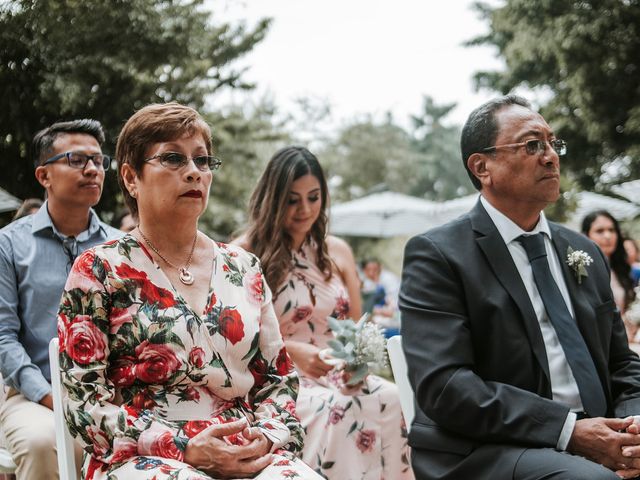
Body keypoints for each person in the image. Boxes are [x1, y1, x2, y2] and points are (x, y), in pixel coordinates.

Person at [56, 103, 321, 480]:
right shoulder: (99, 270)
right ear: (132, 178)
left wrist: (263, 439)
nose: (194, 172)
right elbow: (82, 404)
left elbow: (277, 380)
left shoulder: (243, 268)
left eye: (202, 161)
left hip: (242, 446)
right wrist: (182, 446)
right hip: (142, 455)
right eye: (173, 159)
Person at [399, 94, 640, 480]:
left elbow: (621, 362)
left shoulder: (582, 250)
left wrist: (632, 427)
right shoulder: (438, 255)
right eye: (532, 145)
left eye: (552, 143)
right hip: (492, 448)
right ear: (483, 167)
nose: (550, 156)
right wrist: (568, 432)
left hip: (597, 430)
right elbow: (446, 387)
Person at [235, 146, 414, 480]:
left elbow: (357, 328)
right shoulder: (244, 253)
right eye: (292, 199)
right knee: (341, 410)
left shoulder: (338, 251)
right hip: (280, 381)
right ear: (273, 199)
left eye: (313, 197)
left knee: (393, 396)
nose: (305, 209)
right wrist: (293, 353)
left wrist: (355, 364)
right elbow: (234, 342)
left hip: (338, 374)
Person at [0, 119, 122, 479]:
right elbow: (3, 337)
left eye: (99, 161)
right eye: (76, 160)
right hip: (33, 396)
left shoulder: (119, 246)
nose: (92, 169)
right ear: (44, 176)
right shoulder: (9, 244)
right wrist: (49, 396)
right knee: (42, 442)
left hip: (112, 394)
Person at [581, 210, 636, 340]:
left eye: (612, 230)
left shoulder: (621, 270)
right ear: (586, 235)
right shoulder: (581, 270)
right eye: (600, 231)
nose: (608, 236)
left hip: (626, 339)